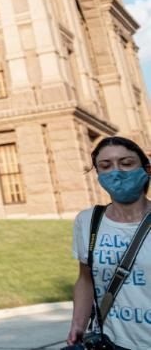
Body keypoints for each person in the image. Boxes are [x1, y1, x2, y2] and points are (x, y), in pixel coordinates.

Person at [66, 136, 151, 350]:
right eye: (106, 166)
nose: (116, 172)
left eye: (126, 163)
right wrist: (78, 323)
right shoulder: (87, 221)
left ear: (147, 170)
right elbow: (85, 278)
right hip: (111, 342)